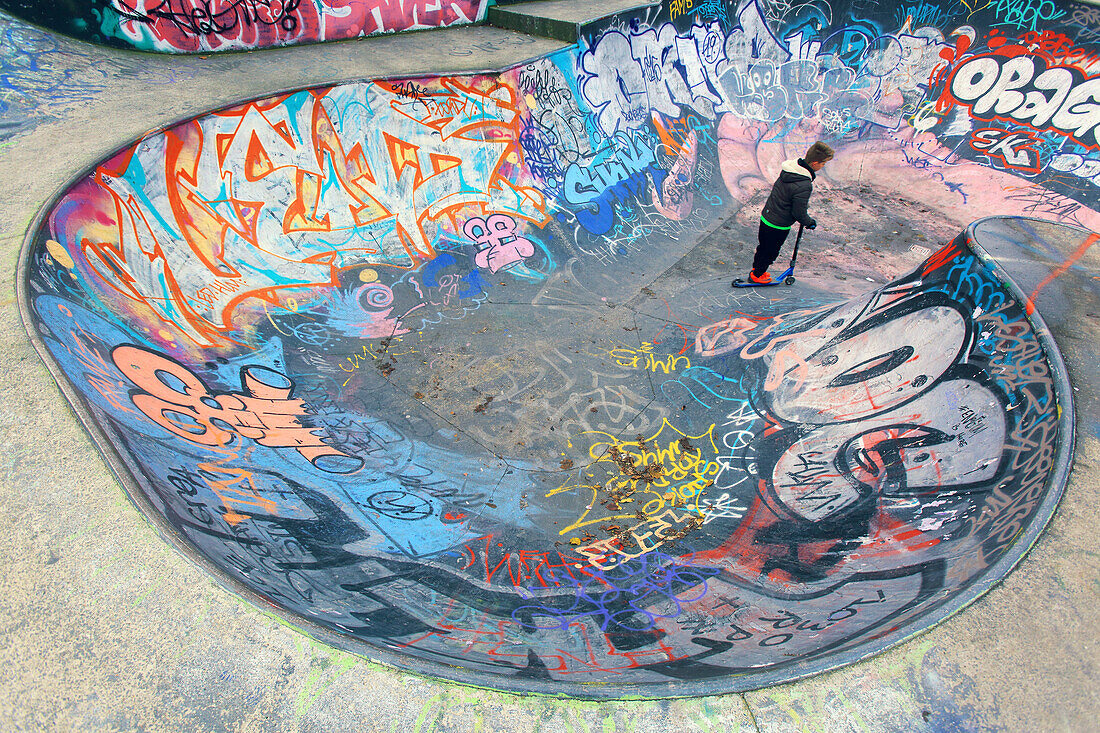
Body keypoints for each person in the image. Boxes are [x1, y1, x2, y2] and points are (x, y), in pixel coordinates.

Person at [747, 141, 834, 284]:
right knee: (771, 251)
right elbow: (798, 212)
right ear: (814, 163)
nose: (823, 167)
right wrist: (809, 222)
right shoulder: (804, 184)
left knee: (763, 247)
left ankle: (758, 270)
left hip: (768, 215)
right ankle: (757, 275)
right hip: (779, 224)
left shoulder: (790, 170)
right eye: (823, 164)